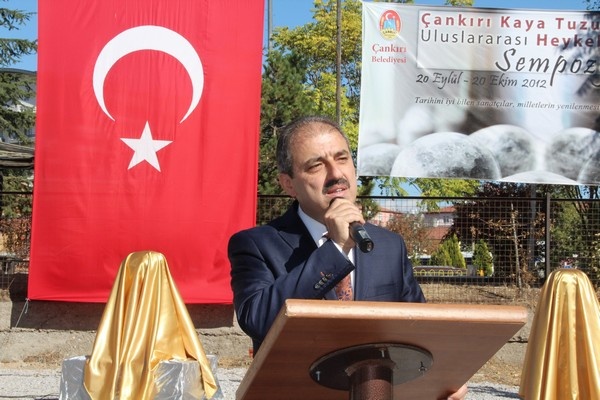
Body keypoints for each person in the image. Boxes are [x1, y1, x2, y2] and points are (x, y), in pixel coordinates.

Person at [228, 116, 467, 400]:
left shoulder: (390, 246)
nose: (335, 173)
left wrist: (443, 378)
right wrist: (336, 249)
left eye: (342, 158)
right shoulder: (256, 244)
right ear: (288, 184)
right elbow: (257, 320)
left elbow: (420, 330)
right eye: (316, 165)